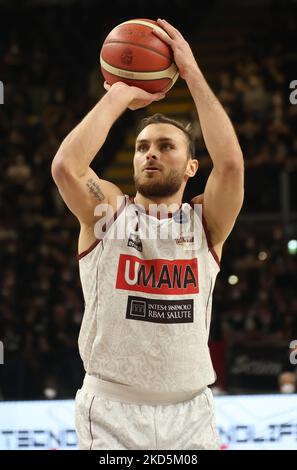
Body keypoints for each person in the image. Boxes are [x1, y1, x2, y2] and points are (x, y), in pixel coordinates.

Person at [51, 18, 244, 450]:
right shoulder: (107, 214)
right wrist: (121, 92)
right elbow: (66, 167)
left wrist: (191, 72)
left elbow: (230, 165)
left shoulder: (206, 224)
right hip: (113, 412)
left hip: (190, 413)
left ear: (192, 167)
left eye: (166, 146)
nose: (150, 153)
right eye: (142, 147)